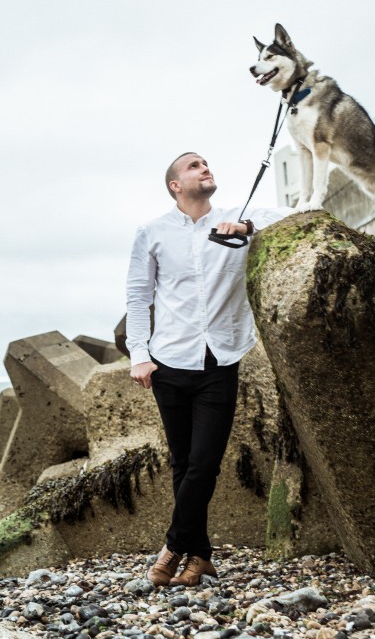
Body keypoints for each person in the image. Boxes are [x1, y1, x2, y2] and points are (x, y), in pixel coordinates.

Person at [125, 151, 292, 586]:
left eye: (206, 163)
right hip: (169, 363)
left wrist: (249, 228)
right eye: (193, 166)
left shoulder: (239, 217)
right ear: (175, 186)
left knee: (204, 463)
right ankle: (199, 557)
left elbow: (303, 214)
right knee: (183, 463)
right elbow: (138, 296)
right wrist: (138, 353)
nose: (205, 168)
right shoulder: (152, 232)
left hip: (220, 360)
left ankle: (172, 546)